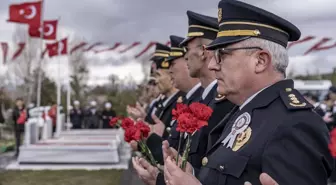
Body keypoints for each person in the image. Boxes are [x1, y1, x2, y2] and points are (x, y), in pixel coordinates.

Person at [163, 0, 333, 185]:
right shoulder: (245, 111)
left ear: (260, 61)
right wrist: (193, 175)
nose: (212, 65)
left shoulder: (295, 124)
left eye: (222, 55)